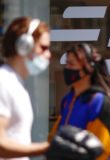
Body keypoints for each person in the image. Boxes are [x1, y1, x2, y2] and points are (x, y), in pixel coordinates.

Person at [51, 43, 110, 160]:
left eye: (71, 64)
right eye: (66, 63)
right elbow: (56, 136)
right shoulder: (67, 100)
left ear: (88, 68)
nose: (67, 68)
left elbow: (102, 150)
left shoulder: (98, 102)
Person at [0, 17, 51, 160]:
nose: (48, 54)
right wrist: (48, 148)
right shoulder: (3, 82)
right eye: (43, 47)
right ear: (25, 45)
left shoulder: (16, 84)